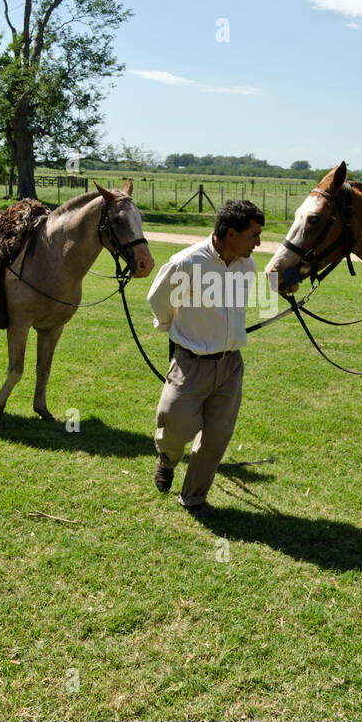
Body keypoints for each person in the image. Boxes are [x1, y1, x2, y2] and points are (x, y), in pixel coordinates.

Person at [146, 200, 265, 518]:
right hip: (191, 363)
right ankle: (167, 460)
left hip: (231, 366)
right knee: (174, 423)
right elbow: (157, 298)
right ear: (229, 233)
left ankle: (194, 498)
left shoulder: (247, 266)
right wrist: (175, 329)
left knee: (215, 438)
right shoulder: (187, 262)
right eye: (253, 235)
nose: (258, 243)